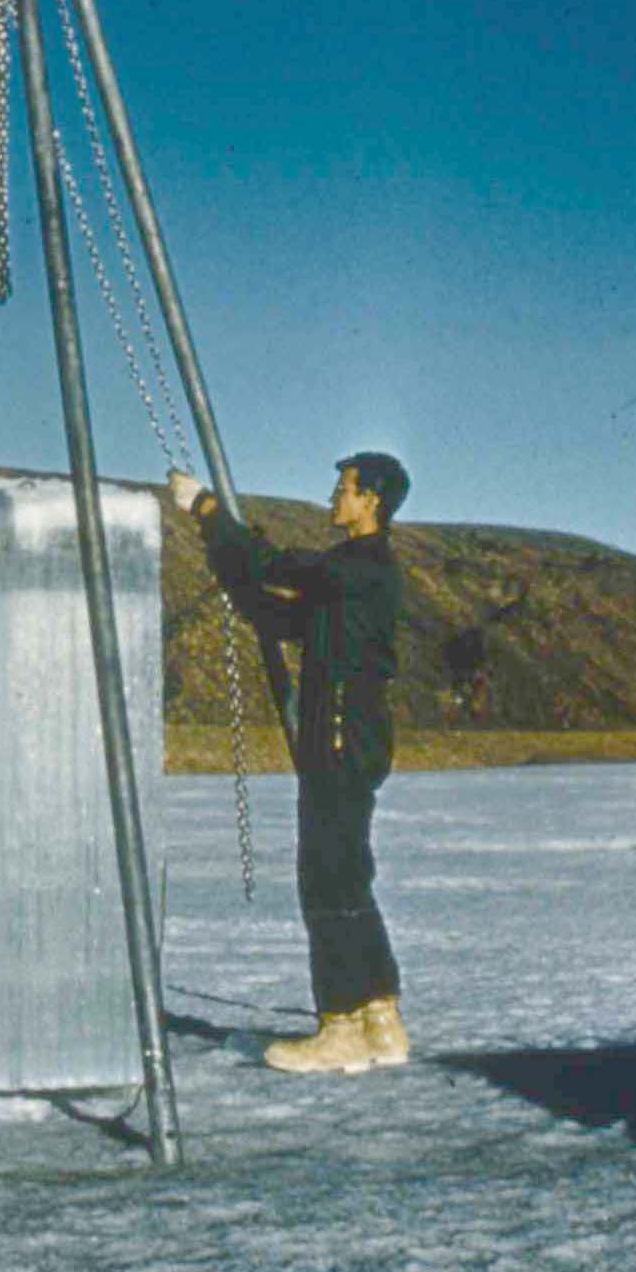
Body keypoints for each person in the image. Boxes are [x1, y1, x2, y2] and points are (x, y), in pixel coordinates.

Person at [168, 452, 412, 1075]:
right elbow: (279, 612)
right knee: (346, 874)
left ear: (372, 502)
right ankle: (380, 1017)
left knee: (326, 877)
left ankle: (340, 1024)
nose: (335, 496)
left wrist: (207, 511)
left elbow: (276, 566)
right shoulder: (350, 579)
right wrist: (236, 578)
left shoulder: (360, 568)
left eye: (345, 489)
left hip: (338, 738)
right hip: (348, 737)